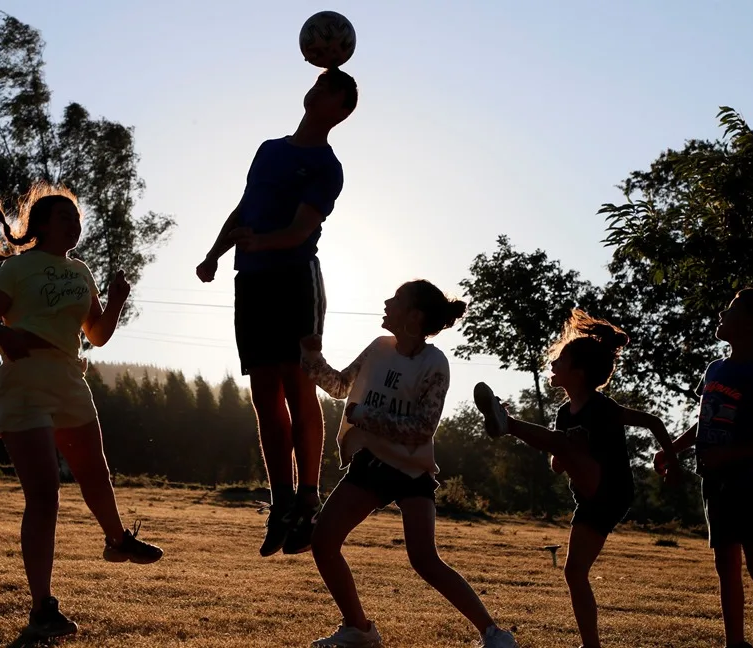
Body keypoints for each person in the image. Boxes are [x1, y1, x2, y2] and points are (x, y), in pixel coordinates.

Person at [0, 183, 163, 640]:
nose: (74, 225)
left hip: (70, 382)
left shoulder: (80, 271)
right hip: (25, 385)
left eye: (77, 219)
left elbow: (96, 335)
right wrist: (4, 335)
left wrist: (117, 300)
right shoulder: (17, 268)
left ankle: (117, 541)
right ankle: (42, 609)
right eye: (64, 218)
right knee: (45, 495)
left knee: (96, 474)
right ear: (41, 225)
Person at [196, 67, 358, 557]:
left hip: (295, 281)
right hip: (252, 283)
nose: (318, 89)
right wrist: (214, 253)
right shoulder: (269, 150)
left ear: (341, 111)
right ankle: (282, 502)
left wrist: (260, 243)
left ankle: (308, 499)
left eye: (329, 89)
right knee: (264, 395)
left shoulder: (327, 166)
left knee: (297, 384)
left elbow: (300, 230)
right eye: (319, 82)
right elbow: (244, 209)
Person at [303, 280, 519, 648]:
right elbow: (340, 387)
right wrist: (311, 357)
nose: (387, 302)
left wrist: (365, 415)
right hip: (371, 465)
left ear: (414, 316)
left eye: (397, 298)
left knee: (424, 560)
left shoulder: (435, 364)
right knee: (324, 542)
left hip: (411, 470)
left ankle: (495, 635)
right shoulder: (378, 347)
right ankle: (359, 630)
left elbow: (422, 429)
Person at [473, 309, 680, 648]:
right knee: (574, 572)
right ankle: (591, 645)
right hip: (588, 498)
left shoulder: (602, 408)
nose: (552, 364)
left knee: (563, 441)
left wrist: (671, 460)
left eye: (560, 361)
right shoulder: (563, 413)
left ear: (578, 373)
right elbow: (557, 465)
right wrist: (565, 451)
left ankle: (506, 422)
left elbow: (654, 422)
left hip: (612, 491)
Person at [654, 289, 753, 648]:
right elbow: (704, 421)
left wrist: (727, 455)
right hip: (715, 484)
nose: (721, 314)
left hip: (748, 485)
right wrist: (671, 450)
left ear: (749, 324)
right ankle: (736, 643)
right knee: (725, 566)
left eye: (730, 309)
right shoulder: (714, 369)